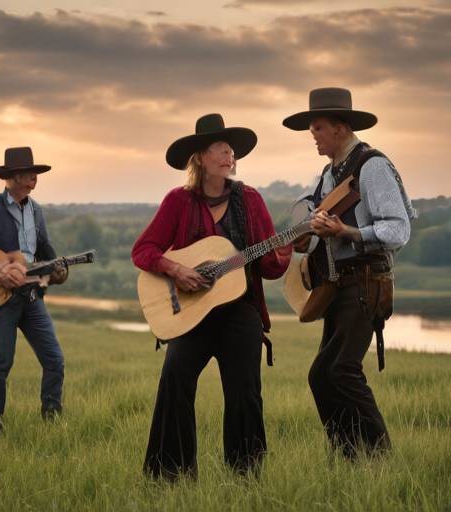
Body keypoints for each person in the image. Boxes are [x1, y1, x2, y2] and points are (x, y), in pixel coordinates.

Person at [132, 114, 292, 479]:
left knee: (245, 392)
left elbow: (266, 265)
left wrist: (286, 252)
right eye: (220, 149)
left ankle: (246, 477)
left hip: (239, 311)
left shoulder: (250, 199)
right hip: (190, 311)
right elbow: (143, 250)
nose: (228, 156)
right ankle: (170, 476)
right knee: (174, 377)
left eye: (231, 151)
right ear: (201, 158)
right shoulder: (178, 201)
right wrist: (176, 270)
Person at [283, 88, 416, 458]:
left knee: (342, 369)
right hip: (336, 285)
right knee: (320, 375)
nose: (314, 135)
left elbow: (399, 228)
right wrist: (304, 239)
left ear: (340, 128)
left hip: (366, 280)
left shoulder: (372, 166)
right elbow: (321, 229)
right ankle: (348, 456)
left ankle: (381, 457)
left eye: (318, 128)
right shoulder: (328, 175)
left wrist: (348, 233)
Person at [0, 147, 68, 432]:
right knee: (2, 363)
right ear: (10, 177)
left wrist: (58, 268)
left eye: (34, 176)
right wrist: (1, 270)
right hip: (2, 299)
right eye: (26, 175)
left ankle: (51, 419)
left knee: (54, 360)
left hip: (32, 297)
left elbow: (45, 248)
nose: (32, 180)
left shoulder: (36, 210)